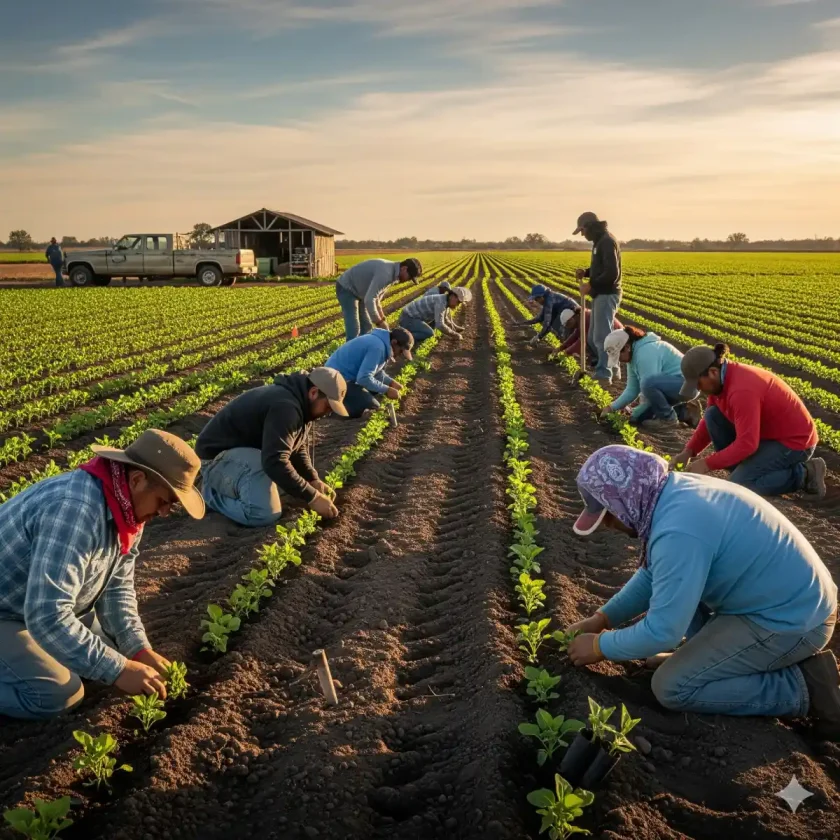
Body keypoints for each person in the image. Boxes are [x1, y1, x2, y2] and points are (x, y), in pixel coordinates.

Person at [564, 445, 840, 737]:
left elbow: (662, 633)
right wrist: (602, 619)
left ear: (625, 499)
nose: (608, 525)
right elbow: (653, 576)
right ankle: (702, 661)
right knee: (676, 591)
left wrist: (599, 646)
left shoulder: (678, 531)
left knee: (671, 687)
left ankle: (801, 686)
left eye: (608, 514)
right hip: (776, 600)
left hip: (793, 621)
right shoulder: (671, 494)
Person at [0, 429, 205, 720]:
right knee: (59, 693)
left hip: (33, 604)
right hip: (8, 612)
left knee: (109, 654)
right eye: (164, 500)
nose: (165, 512)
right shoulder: (75, 511)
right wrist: (118, 669)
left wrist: (137, 650)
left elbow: (117, 588)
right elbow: (47, 615)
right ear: (137, 480)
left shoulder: (128, 508)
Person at [196, 367, 348, 527]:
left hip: (241, 455)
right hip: (215, 459)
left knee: (285, 486)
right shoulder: (285, 407)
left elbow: (296, 447)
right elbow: (274, 461)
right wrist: (313, 497)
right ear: (314, 393)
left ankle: (235, 486)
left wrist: (312, 479)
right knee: (262, 513)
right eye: (328, 406)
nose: (328, 413)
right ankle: (209, 494)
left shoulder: (300, 403)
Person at [674, 343, 826, 498]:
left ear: (713, 372)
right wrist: (688, 451)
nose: (698, 389)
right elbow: (708, 422)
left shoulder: (742, 391)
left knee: (740, 487)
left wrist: (706, 464)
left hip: (794, 441)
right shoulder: (720, 381)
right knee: (713, 415)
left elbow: (747, 443)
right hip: (765, 435)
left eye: (698, 383)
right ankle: (745, 470)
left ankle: (805, 474)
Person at [598, 326, 702, 430]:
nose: (619, 360)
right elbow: (632, 389)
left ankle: (669, 419)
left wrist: (634, 413)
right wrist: (611, 407)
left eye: (618, 355)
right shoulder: (632, 357)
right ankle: (686, 412)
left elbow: (647, 386)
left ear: (627, 347)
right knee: (643, 418)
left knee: (645, 392)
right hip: (673, 386)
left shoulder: (645, 353)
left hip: (687, 385)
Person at [574, 212, 622, 383]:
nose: (582, 234)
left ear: (589, 227)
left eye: (582, 230)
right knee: (594, 337)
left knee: (601, 337)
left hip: (607, 293)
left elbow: (611, 273)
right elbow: (601, 267)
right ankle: (613, 369)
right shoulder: (599, 242)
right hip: (600, 294)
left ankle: (604, 374)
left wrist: (591, 284)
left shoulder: (607, 242)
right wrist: (586, 272)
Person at [325, 327, 414, 418]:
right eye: (400, 351)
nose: (399, 355)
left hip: (338, 377)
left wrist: (391, 383)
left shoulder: (379, 342)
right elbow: (363, 378)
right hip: (334, 381)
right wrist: (387, 390)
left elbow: (375, 372)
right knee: (372, 406)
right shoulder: (378, 348)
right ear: (394, 342)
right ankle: (333, 408)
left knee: (373, 391)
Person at [335, 258, 423, 341]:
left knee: (367, 326)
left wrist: (383, 320)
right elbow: (370, 300)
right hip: (347, 288)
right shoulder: (386, 273)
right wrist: (379, 322)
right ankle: (350, 354)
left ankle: (361, 349)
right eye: (409, 277)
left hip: (360, 292)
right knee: (354, 329)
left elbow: (377, 299)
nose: (408, 280)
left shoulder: (393, 276)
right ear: (404, 268)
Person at [399, 286, 472, 347]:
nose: (457, 305)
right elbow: (440, 325)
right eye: (458, 302)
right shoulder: (441, 303)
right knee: (429, 333)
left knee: (434, 322)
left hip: (414, 318)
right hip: (407, 318)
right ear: (452, 296)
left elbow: (445, 319)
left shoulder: (444, 300)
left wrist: (455, 329)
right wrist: (455, 335)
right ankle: (403, 337)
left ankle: (411, 332)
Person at [557, 307, 623, 372]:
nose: (568, 327)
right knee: (591, 341)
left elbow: (582, 342)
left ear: (573, 317)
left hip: (616, 335)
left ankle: (607, 365)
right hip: (610, 335)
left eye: (568, 324)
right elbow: (575, 335)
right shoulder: (581, 318)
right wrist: (561, 348)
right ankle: (599, 359)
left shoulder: (585, 318)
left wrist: (566, 352)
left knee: (589, 340)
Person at [511, 283, 577, 347]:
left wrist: (538, 336)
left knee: (560, 328)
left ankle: (570, 349)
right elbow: (540, 318)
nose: (537, 301)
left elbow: (547, 323)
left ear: (541, 296)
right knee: (556, 326)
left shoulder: (549, 300)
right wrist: (521, 323)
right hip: (567, 314)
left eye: (536, 299)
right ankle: (568, 347)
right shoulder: (548, 298)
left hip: (574, 315)